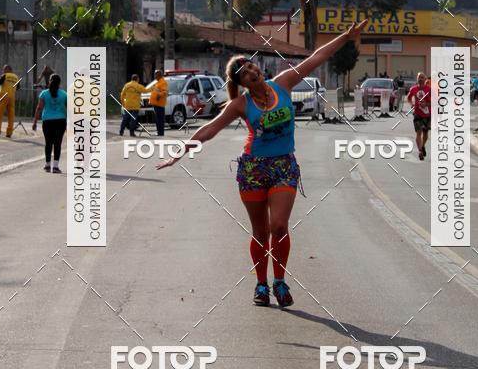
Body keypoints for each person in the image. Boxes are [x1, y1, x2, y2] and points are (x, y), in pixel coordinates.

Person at [156, 20, 370, 308]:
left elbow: (317, 58)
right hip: (253, 170)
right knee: (260, 232)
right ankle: (261, 284)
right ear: (241, 83)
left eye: (253, 68)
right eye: (246, 73)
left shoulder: (282, 83)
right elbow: (211, 128)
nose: (253, 72)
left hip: (284, 167)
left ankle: (280, 281)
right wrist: (181, 151)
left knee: (279, 226)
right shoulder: (240, 105)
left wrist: (345, 36)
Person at [32, 73, 68, 173]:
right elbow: (69, 109)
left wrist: (35, 122)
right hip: (60, 121)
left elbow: (39, 108)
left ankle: (47, 165)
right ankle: (55, 166)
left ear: (49, 82)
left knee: (48, 143)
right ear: (60, 83)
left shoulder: (44, 94)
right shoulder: (64, 94)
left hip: (47, 121)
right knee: (57, 143)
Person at [407, 72, 431, 161]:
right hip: (417, 113)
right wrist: (411, 104)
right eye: (419, 77)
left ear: (425, 79)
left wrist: (427, 104)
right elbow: (409, 98)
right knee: (418, 132)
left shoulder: (429, 89)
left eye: (422, 77)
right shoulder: (413, 89)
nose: (420, 79)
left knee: (425, 133)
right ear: (417, 79)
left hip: (428, 114)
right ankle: (420, 151)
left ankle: (423, 145)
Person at [0, 64, 20, 138]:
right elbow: (18, 87)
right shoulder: (16, 77)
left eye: (4, 69)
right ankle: (9, 133)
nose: (3, 70)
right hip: (12, 97)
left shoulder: (5, 75)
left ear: (7, 69)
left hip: (3, 96)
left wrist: (0, 77)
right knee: (11, 116)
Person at [149, 69, 168, 136]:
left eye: (155, 74)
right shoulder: (158, 82)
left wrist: (158, 96)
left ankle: (160, 132)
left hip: (159, 104)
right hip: (156, 104)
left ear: (159, 75)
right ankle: (159, 132)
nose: (154, 76)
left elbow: (164, 92)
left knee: (159, 119)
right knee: (158, 119)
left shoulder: (162, 82)